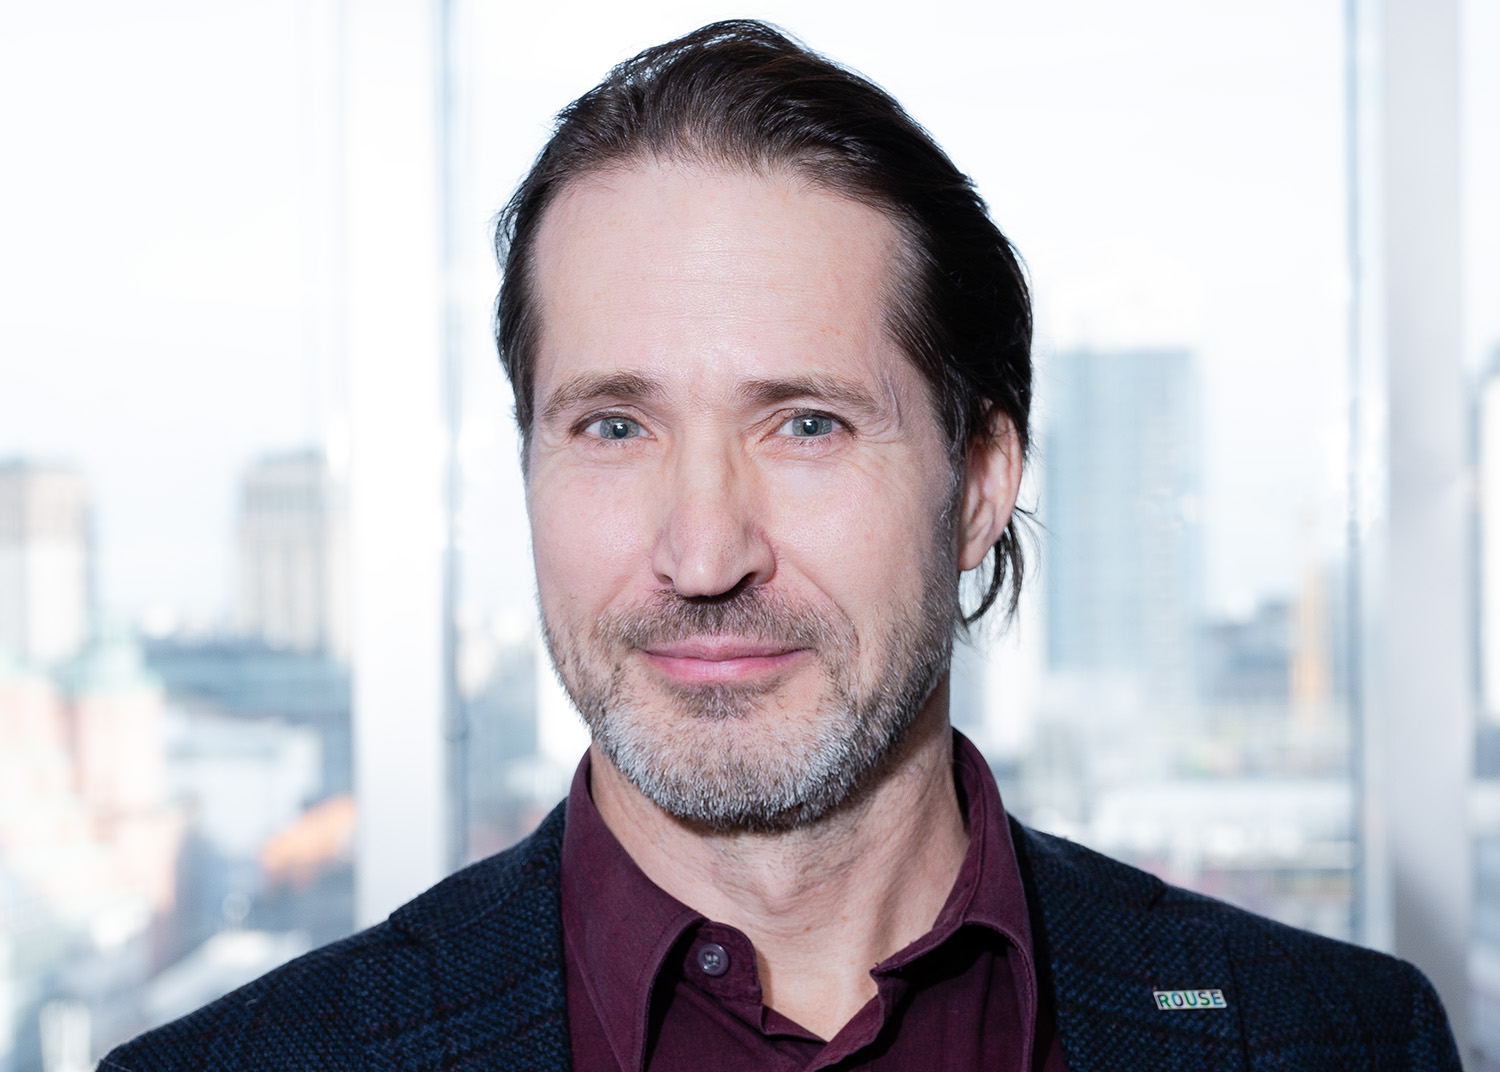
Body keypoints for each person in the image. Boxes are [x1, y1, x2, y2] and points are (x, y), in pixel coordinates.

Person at [101, 20, 1460, 1072]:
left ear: (981, 482)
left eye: (806, 425)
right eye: (614, 427)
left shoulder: (1339, 1039)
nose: (703, 555)